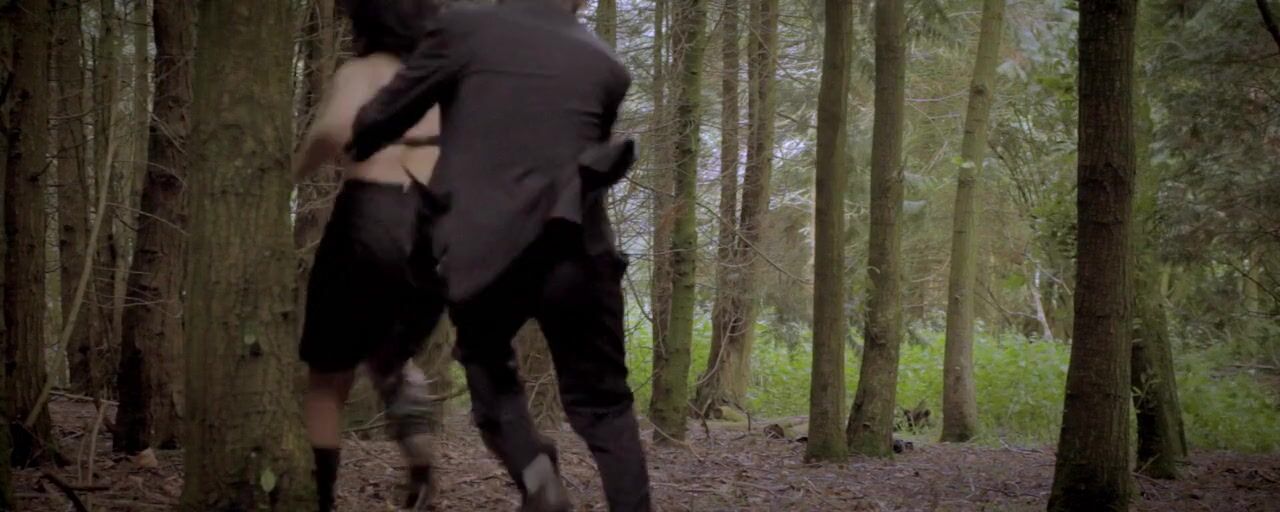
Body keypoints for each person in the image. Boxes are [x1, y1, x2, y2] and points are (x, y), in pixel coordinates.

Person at [345, 0, 652, 511]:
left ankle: (536, 476)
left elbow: (384, 114)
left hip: (487, 248)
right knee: (605, 407)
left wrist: (365, 133)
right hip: (577, 246)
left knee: (487, 366)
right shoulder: (607, 64)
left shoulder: (465, 27)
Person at [292, 1, 448, 510]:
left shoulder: (364, 71)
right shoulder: (446, 79)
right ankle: (418, 454)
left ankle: (321, 500)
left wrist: (292, 172)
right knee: (391, 355)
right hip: (432, 227)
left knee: (326, 376)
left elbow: (332, 130)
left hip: (369, 218)